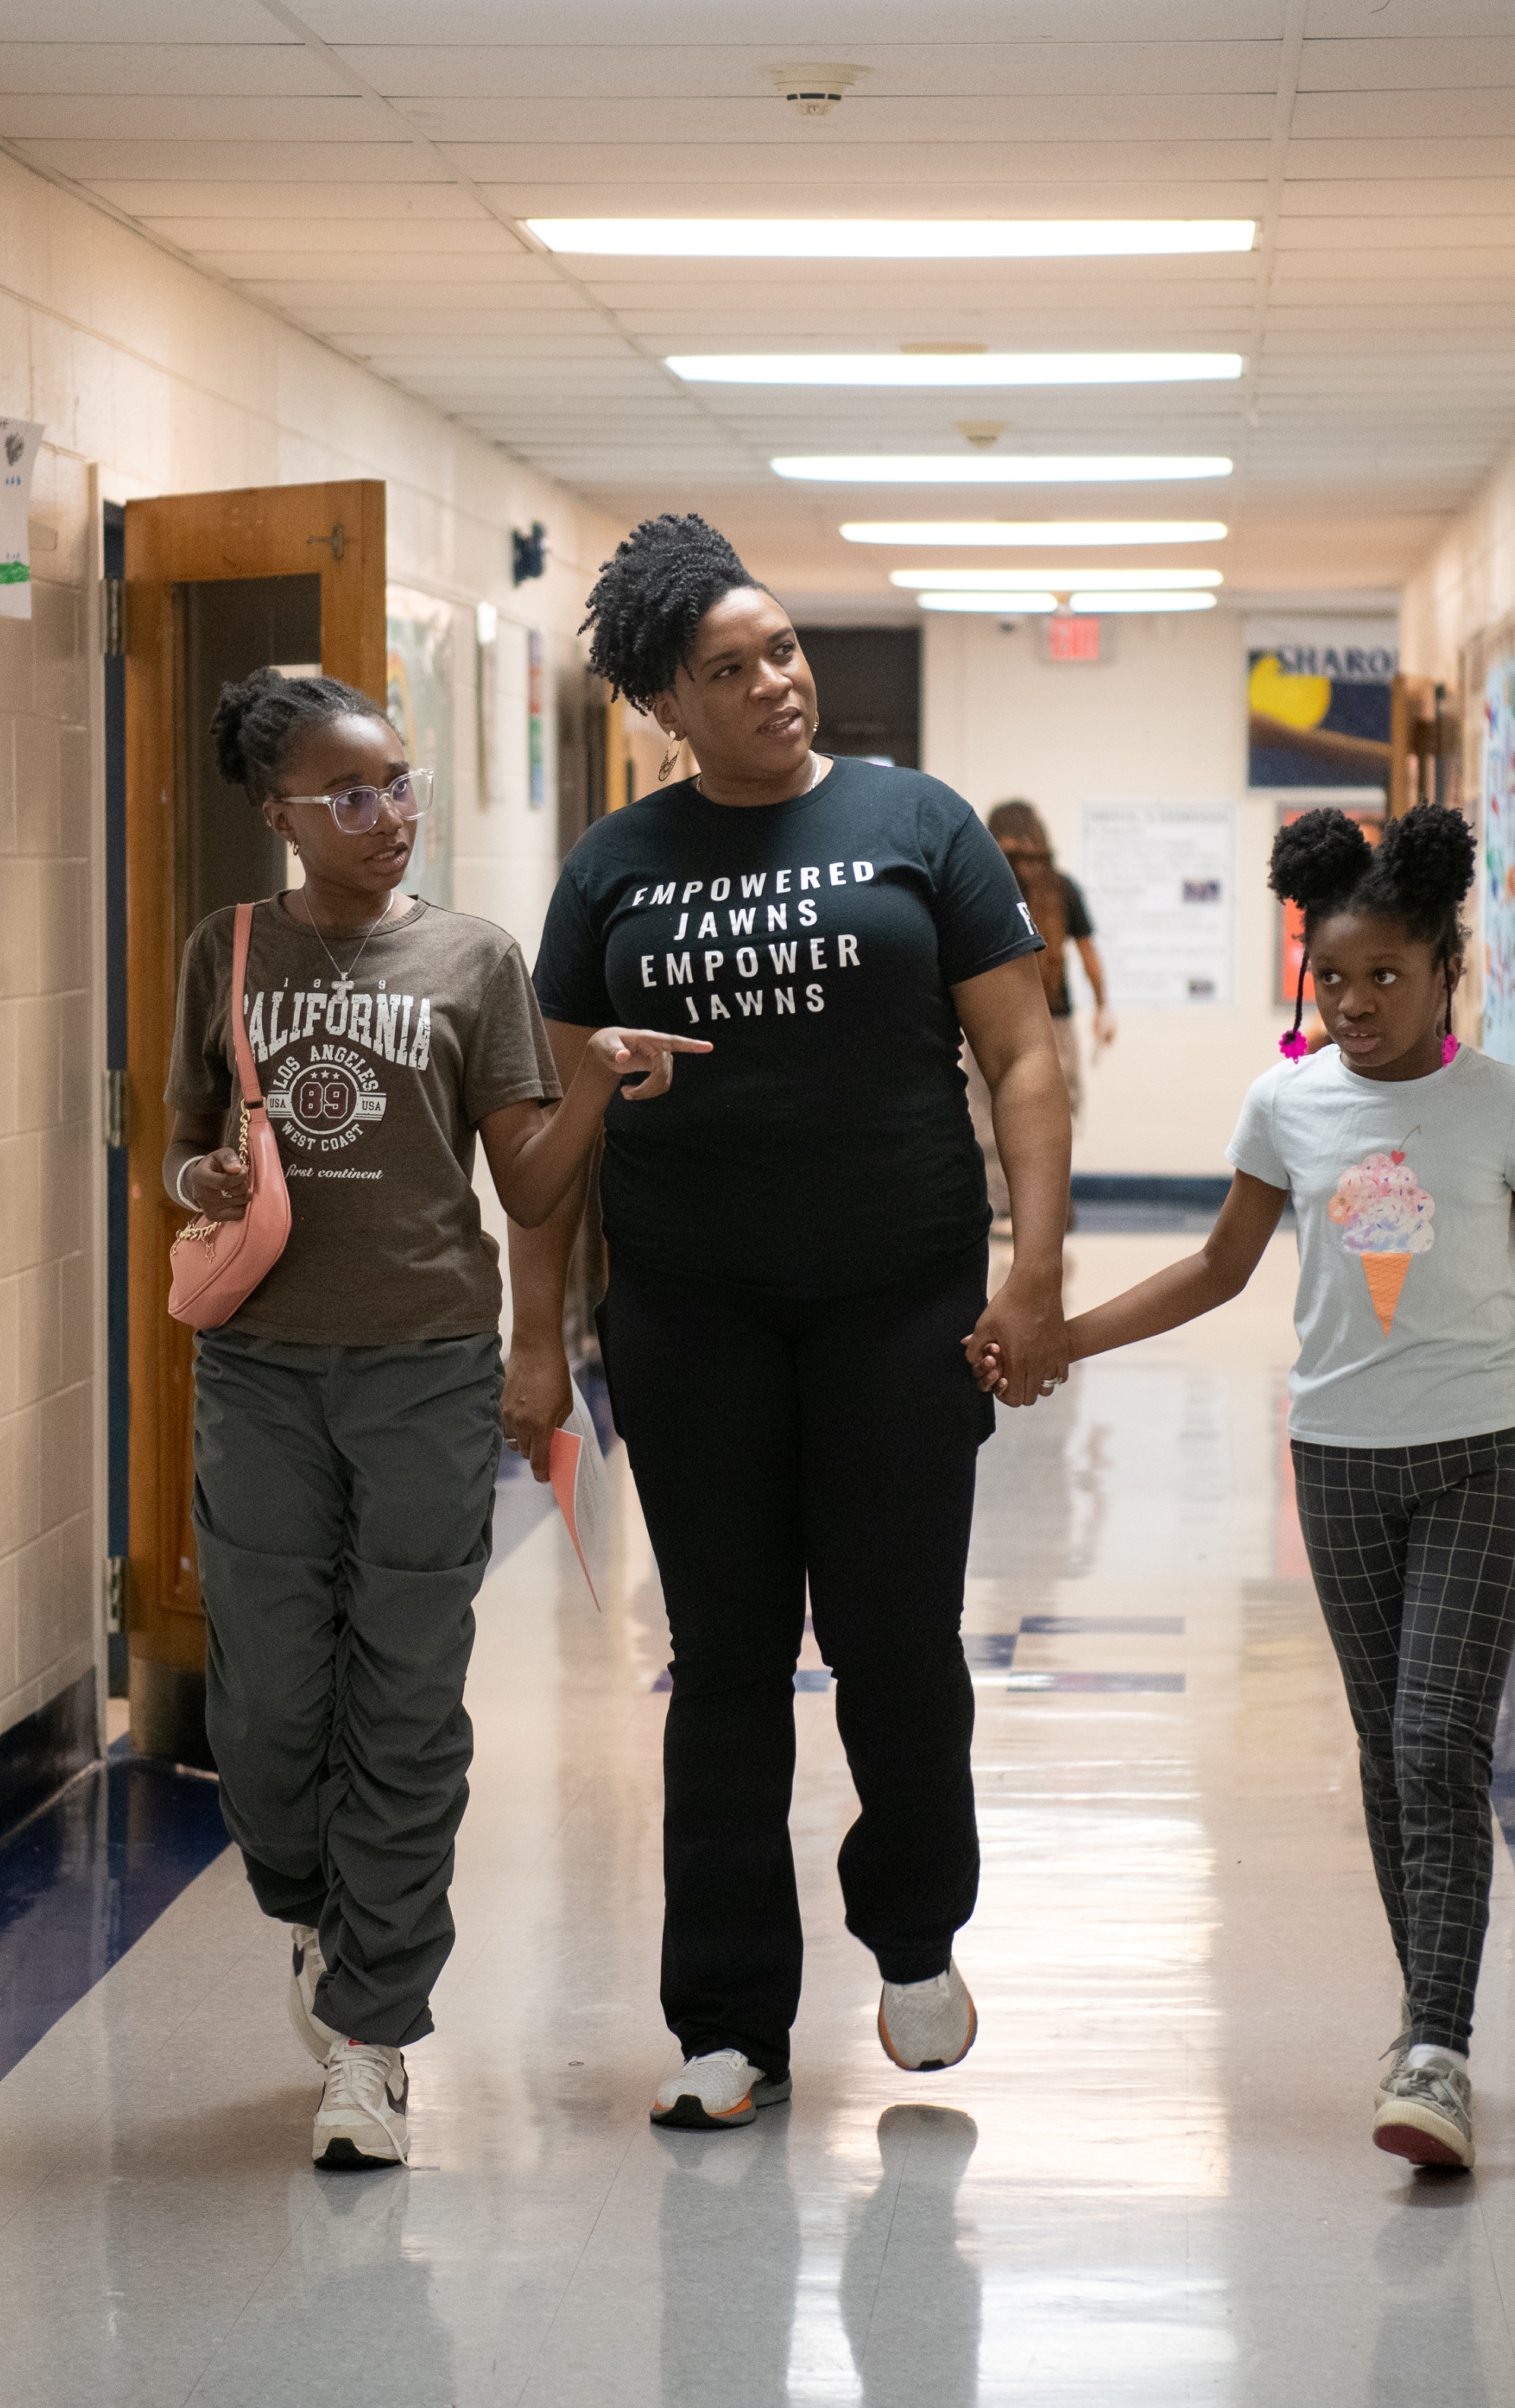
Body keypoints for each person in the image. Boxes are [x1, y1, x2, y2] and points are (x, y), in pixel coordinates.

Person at [517, 513, 1074, 2132]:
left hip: (897, 1306)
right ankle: (727, 2019)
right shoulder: (613, 867)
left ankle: (912, 1939)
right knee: (724, 1664)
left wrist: (1027, 1270)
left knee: (897, 1642)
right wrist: (534, 1334)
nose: (773, 683)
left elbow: (1021, 1057)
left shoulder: (919, 822)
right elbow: (554, 1133)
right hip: (688, 1318)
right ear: (664, 707)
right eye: (727, 670)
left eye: (778, 649)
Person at [990, 805, 1515, 2171]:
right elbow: (1216, 1269)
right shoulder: (1284, 1104)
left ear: (1447, 968)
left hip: (1482, 1455)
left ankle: (1434, 2050)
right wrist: (1060, 1336)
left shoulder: (1506, 1107)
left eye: (1385, 975)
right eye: (1331, 978)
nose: (1355, 1002)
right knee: (1391, 1757)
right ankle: (1425, 2017)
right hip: (1335, 1460)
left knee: (1438, 1742)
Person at [167, 672, 700, 2171]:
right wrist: (194, 1184)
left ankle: (373, 2036)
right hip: (260, 1372)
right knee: (266, 1708)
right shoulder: (231, 949)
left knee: (404, 1700)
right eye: (349, 796)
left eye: (399, 784)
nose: (388, 815)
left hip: (422, 1368)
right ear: (277, 818)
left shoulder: (473, 960)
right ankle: (311, 1914)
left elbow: (531, 1188)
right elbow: (176, 1147)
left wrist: (596, 1079)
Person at [970, 801, 1113, 1221]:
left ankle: (1000, 1205)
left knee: (986, 1109)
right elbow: (1089, 956)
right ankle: (1050, 1205)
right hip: (1053, 1021)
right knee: (1053, 1113)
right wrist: (1103, 1008)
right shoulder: (1062, 887)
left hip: (987, 1018)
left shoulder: (979, 883)